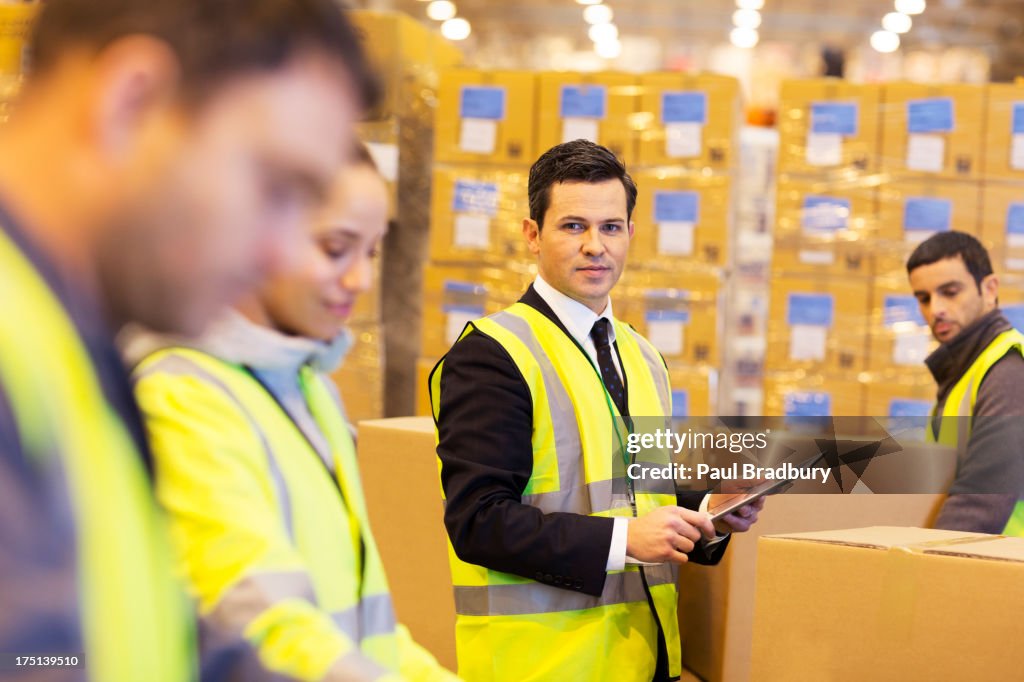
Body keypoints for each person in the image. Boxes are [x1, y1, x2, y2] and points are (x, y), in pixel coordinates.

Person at [0, 0, 378, 679]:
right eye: (276, 188)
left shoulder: (70, 344)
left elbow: (161, 643)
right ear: (131, 103)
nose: (276, 253)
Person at [429, 139, 762, 682]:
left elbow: (634, 490)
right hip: (544, 667)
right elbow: (478, 521)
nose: (595, 246)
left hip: (645, 660)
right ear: (533, 235)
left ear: (631, 234)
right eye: (573, 226)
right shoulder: (492, 355)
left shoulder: (640, 354)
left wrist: (709, 510)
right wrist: (625, 539)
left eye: (610, 227)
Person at [127, 145, 460, 682]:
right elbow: (259, 624)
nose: (360, 280)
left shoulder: (312, 391)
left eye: (372, 253)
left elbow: (363, 628)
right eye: (335, 249)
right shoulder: (182, 397)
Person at [907, 230, 1024, 534]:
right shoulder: (965, 371)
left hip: (1003, 570)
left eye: (950, 291)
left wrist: (921, 571)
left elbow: (980, 501)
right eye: (924, 298)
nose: (936, 310)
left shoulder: (1008, 370)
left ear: (989, 289)